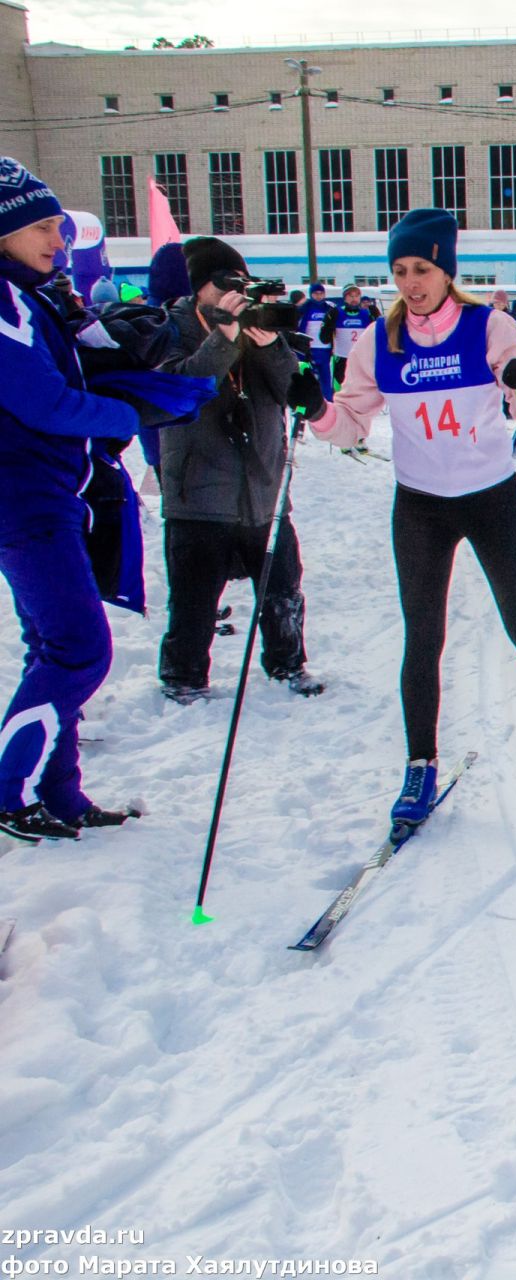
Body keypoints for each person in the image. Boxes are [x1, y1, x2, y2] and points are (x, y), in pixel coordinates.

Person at [307, 207, 516, 823]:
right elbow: (350, 426)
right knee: (423, 639)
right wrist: (313, 409)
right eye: (399, 270)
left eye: (422, 268)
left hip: (492, 498)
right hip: (419, 506)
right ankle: (419, 767)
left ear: (445, 270)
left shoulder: (488, 326)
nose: (410, 282)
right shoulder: (377, 340)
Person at [0, 158, 187, 839]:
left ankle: (60, 792)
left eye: (60, 225)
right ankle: (7, 788)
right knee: (80, 649)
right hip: (26, 502)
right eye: (43, 227)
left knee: (51, 647)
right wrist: (126, 415)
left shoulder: (32, 295)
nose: (58, 239)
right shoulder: (2, 302)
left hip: (53, 494)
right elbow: (42, 402)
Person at [156, 236, 327, 705]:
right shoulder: (169, 326)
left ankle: (288, 662)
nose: (237, 294)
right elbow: (179, 391)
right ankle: (184, 675)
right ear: (201, 288)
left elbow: (291, 389)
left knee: (283, 589)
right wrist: (224, 337)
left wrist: (270, 344)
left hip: (263, 486)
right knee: (193, 598)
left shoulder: (258, 324)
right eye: (224, 283)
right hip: (199, 490)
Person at [296, 282, 337, 401]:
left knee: (325, 378)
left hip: (325, 349)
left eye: (321, 293)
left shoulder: (329, 308)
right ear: (311, 294)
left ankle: (328, 402)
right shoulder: (304, 308)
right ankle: (306, 403)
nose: (318, 296)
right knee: (307, 377)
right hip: (308, 349)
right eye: (315, 293)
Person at [332, 285, 376, 384]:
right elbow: (325, 336)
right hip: (342, 356)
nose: (354, 299)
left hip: (360, 357)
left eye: (357, 296)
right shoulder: (337, 312)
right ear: (345, 297)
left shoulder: (366, 314)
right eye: (351, 296)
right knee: (342, 384)